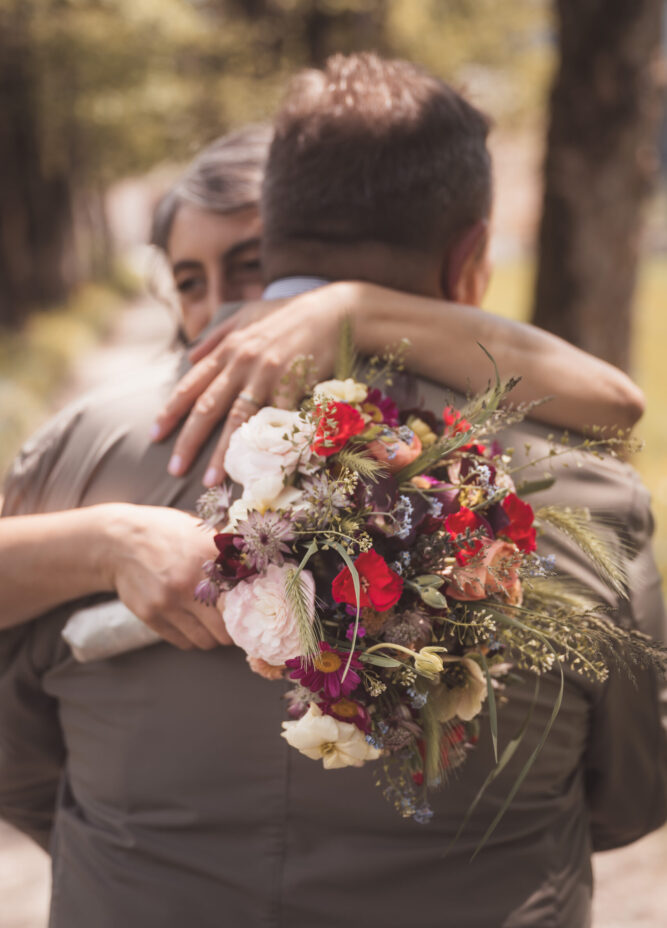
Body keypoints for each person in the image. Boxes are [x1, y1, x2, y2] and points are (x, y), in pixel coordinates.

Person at [0, 56, 664, 928]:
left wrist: (123, 850)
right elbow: (631, 790)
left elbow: (13, 753)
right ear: (470, 257)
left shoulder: (83, 450)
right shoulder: (585, 491)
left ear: (272, 231)